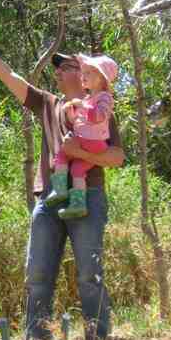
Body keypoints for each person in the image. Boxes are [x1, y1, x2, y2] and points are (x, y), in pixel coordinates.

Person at [0, 19, 125, 340]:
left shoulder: (100, 109)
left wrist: (81, 153)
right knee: (38, 275)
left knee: (90, 277)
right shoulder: (46, 104)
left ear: (86, 74)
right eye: (57, 68)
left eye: (67, 66)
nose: (58, 72)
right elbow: (6, 74)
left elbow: (117, 157)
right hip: (48, 200)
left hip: (88, 196)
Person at [46, 54, 118, 220]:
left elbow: (98, 117)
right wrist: (72, 112)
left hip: (93, 143)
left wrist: (82, 105)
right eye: (83, 73)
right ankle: (78, 205)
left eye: (88, 74)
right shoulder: (89, 98)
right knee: (77, 169)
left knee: (62, 155)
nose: (83, 77)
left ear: (102, 79)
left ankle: (60, 190)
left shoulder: (104, 97)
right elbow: (81, 121)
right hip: (88, 142)